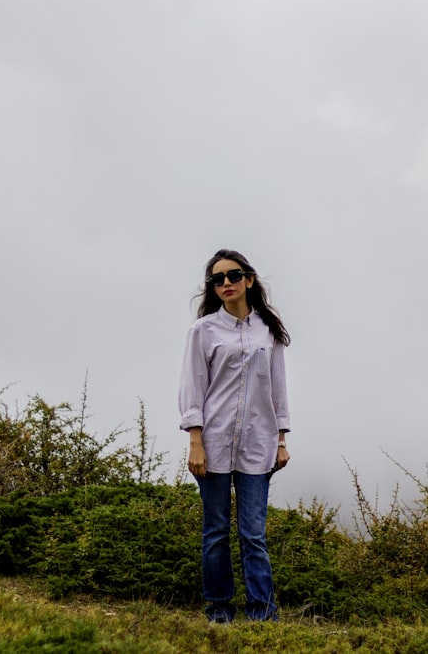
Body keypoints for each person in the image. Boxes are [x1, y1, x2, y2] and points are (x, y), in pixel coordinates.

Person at [178, 248, 291, 623]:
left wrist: (280, 440)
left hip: (257, 444)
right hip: (211, 444)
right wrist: (195, 441)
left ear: (249, 279)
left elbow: (277, 388)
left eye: (233, 275)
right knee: (216, 531)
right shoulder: (203, 331)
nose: (225, 283)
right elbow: (193, 388)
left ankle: (262, 611)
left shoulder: (268, 330)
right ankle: (219, 609)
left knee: (254, 534)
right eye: (217, 279)